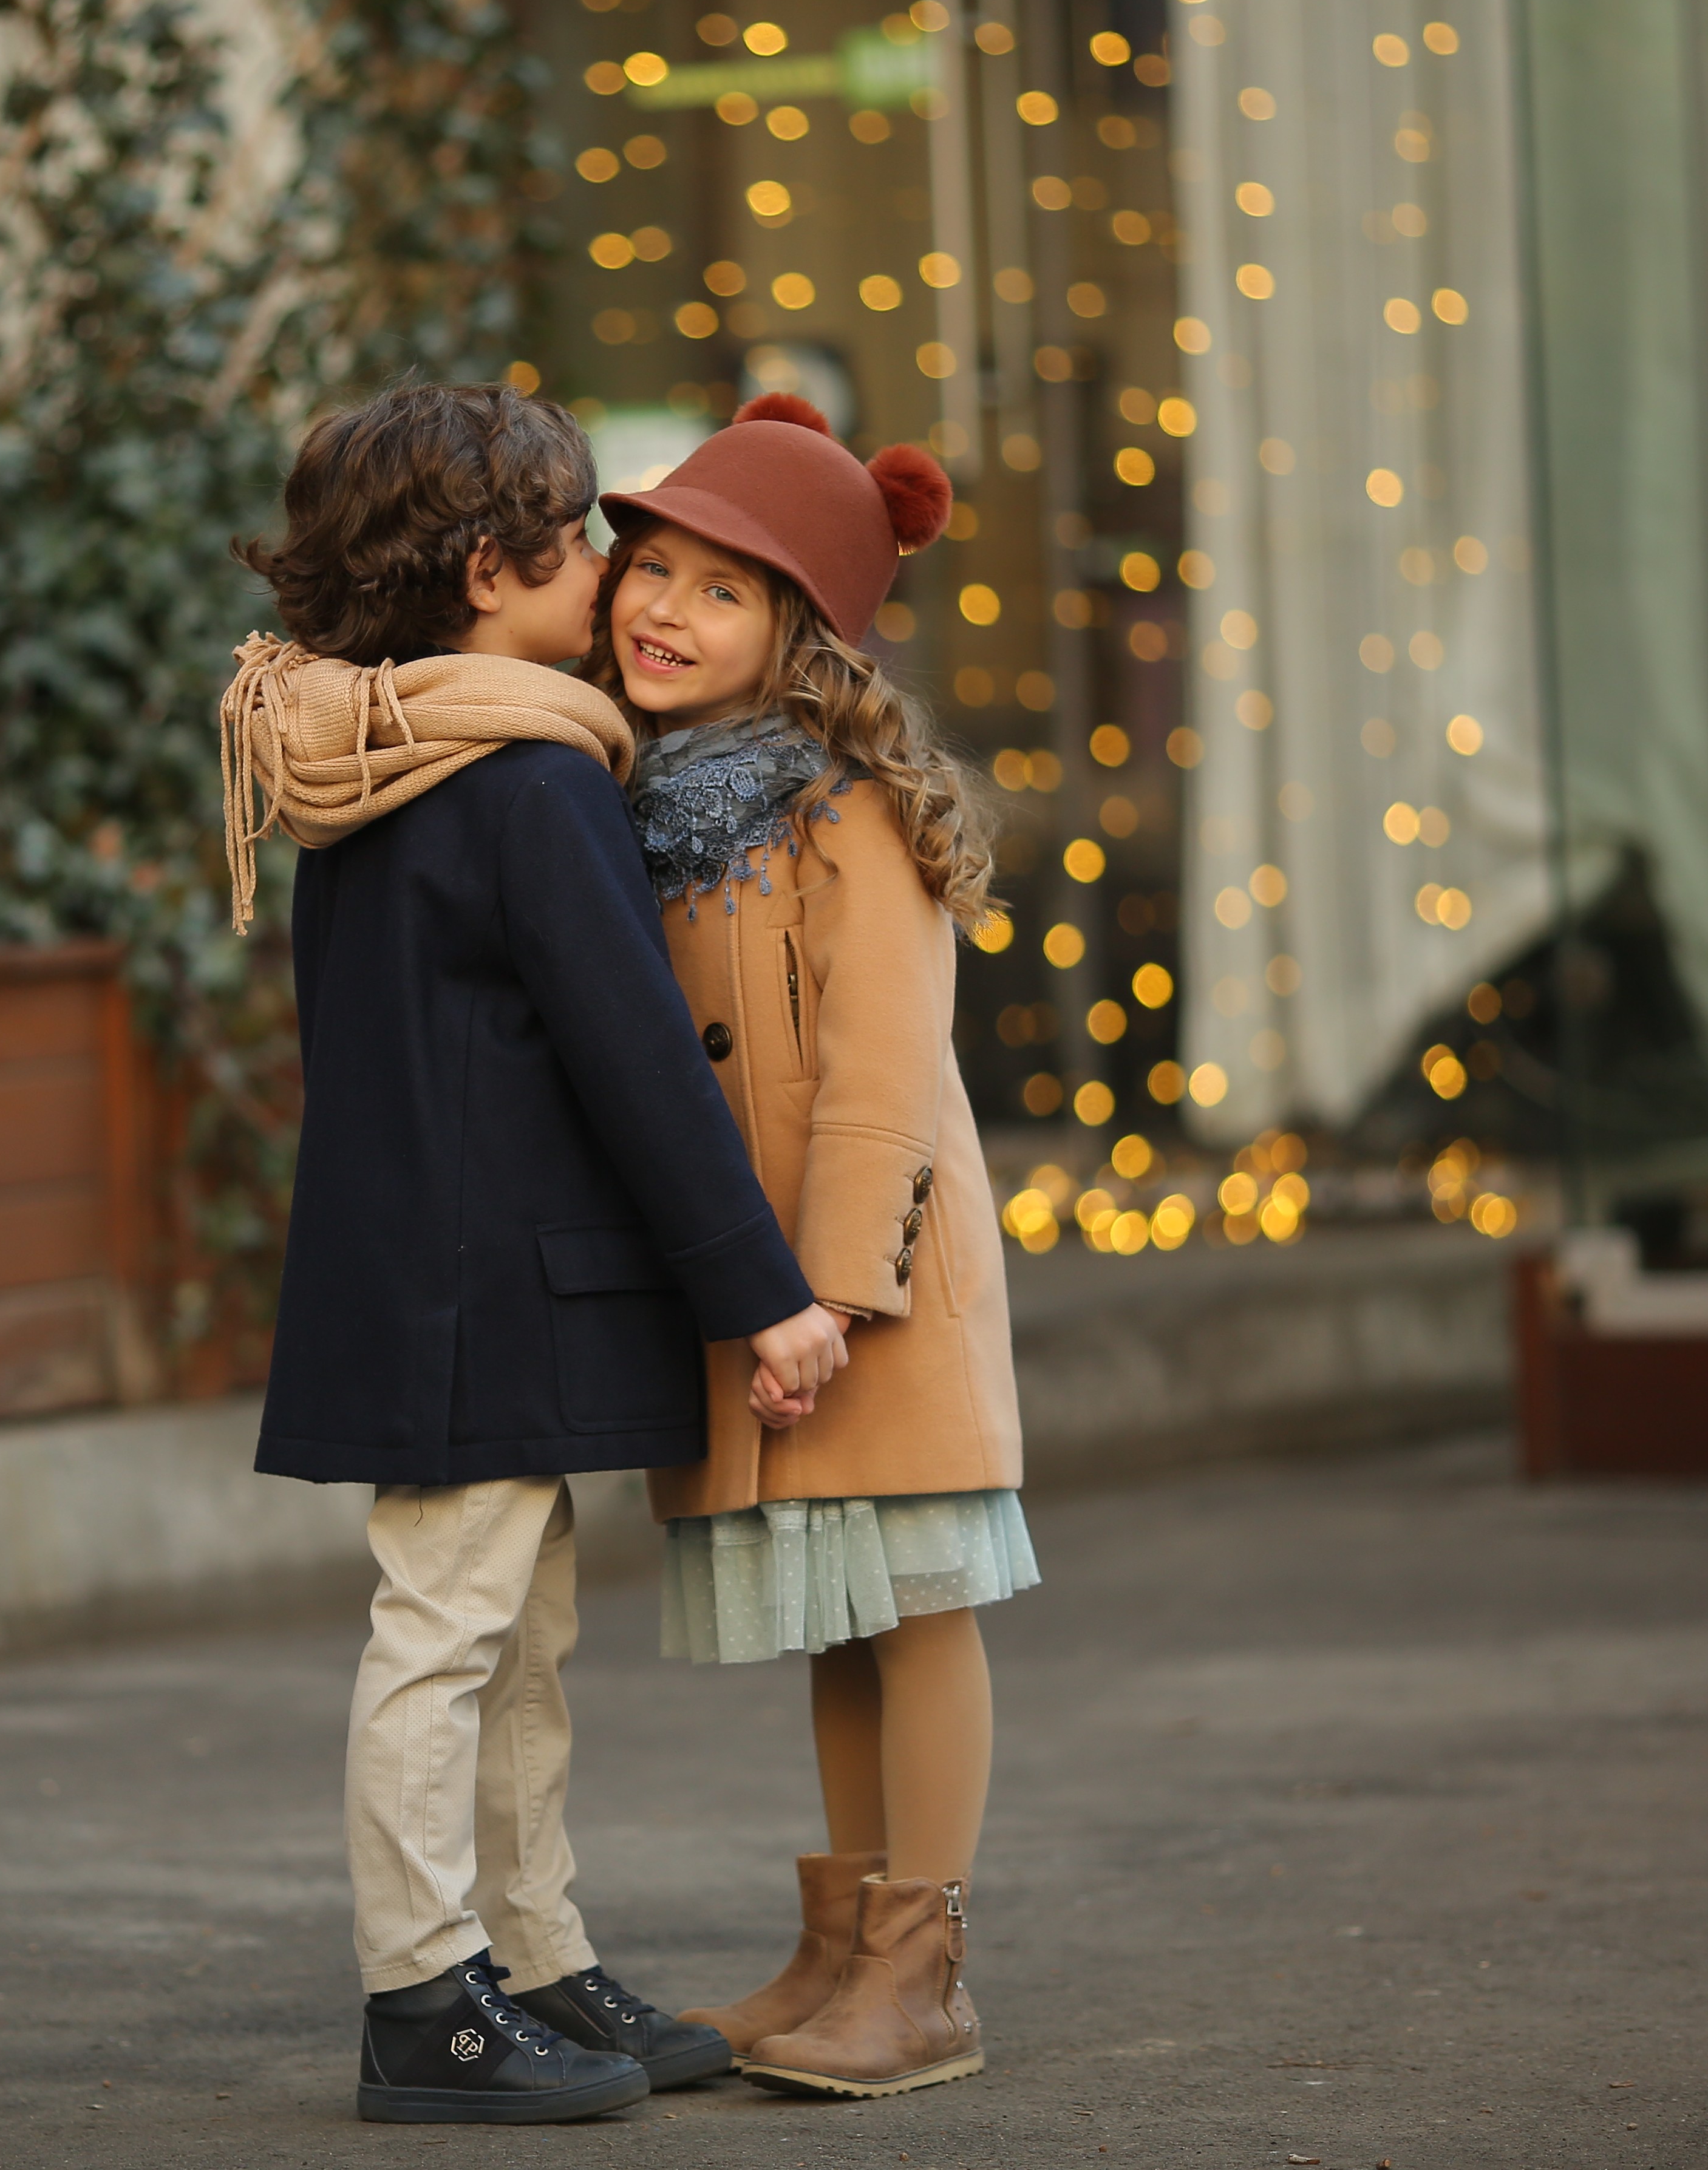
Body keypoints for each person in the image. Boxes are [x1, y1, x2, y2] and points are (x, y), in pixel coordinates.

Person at [217, 381, 857, 2126]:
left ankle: (533, 1952)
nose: (604, 571)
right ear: (487, 572)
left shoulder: (383, 752)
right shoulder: (528, 779)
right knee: (450, 1636)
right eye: (577, 540)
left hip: (435, 1271)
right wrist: (764, 1293)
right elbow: (637, 1060)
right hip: (484, 1283)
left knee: (515, 1638)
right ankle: (425, 1997)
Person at [579, 392, 1038, 2101]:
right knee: (838, 1619)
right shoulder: (647, 804)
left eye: (721, 591)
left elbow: (883, 1074)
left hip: (869, 1287)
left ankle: (923, 1976)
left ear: (801, 636)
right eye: (652, 568)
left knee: (913, 1605)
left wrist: (833, 1292)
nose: (663, 609)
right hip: (760, 1288)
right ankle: (842, 1949)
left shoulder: (845, 811)